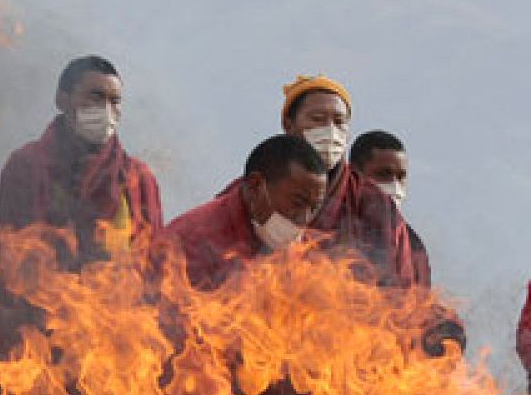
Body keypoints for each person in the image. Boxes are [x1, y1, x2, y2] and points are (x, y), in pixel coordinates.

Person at [0, 55, 163, 357]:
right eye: (95, 96)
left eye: (115, 100)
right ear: (63, 99)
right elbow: (9, 272)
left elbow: (155, 272)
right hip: (46, 342)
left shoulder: (137, 179)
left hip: (117, 352)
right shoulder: (27, 167)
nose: (106, 110)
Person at [278, 74, 415, 286]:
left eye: (339, 122)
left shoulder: (377, 205)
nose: (331, 131)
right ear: (288, 125)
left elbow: (406, 292)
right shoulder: (257, 193)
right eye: (318, 119)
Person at [164, 134, 329, 291]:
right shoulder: (189, 243)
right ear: (255, 186)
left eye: (314, 208)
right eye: (297, 203)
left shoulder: (304, 249)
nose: (304, 219)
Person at [350, 129, 430, 287]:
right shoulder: (330, 228)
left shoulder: (413, 245)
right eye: (383, 174)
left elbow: (419, 300)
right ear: (354, 175)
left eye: (401, 177)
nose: (394, 186)